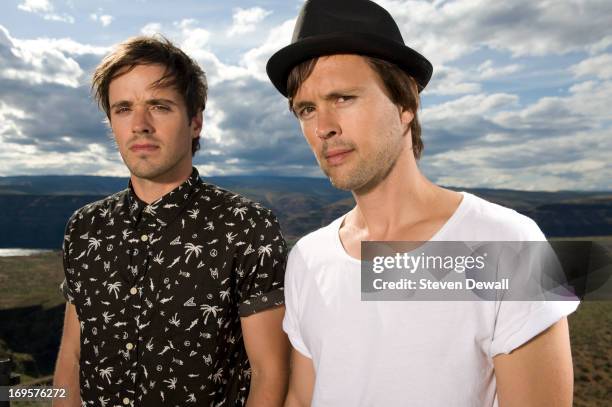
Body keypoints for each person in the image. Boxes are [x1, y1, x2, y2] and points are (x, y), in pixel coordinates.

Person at [266, 0, 578, 405]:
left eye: (343, 98)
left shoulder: (508, 243)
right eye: (306, 109)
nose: (323, 127)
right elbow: (301, 398)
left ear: (405, 104)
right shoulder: (307, 257)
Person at [53, 36, 289, 407]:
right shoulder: (85, 227)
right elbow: (71, 359)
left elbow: (270, 373)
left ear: (195, 122)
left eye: (159, 107)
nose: (140, 125)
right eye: (124, 108)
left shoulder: (246, 227)